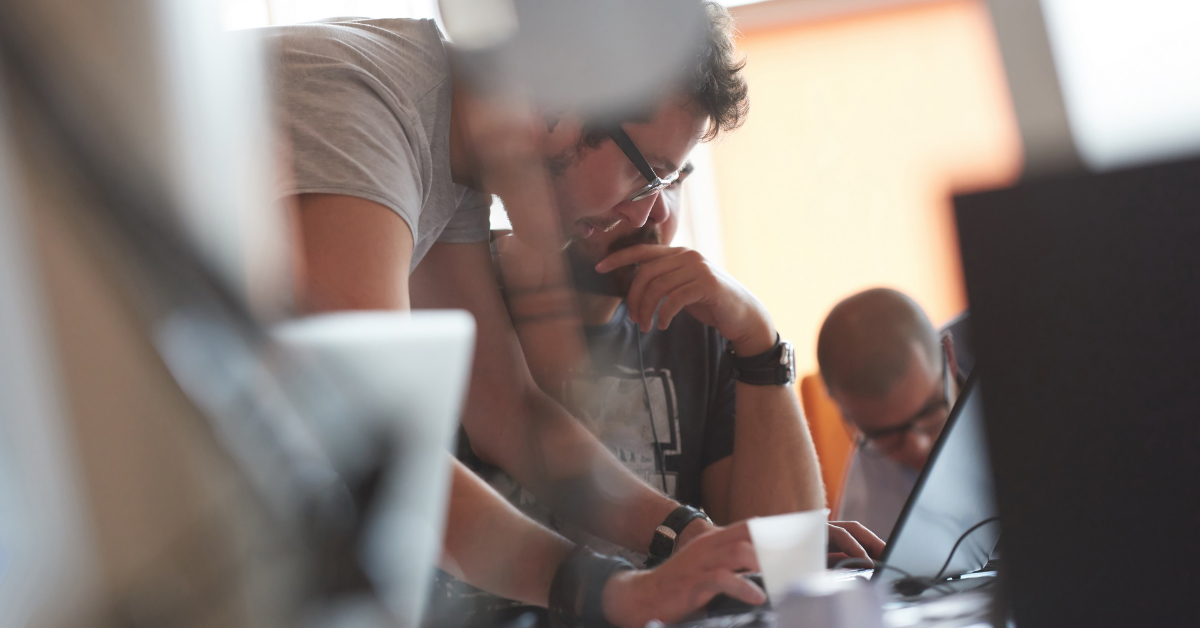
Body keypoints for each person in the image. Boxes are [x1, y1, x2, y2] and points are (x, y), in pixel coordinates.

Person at [264, 4, 878, 627]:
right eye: (649, 176)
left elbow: (507, 409)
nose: (649, 217)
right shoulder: (360, 104)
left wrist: (686, 534)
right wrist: (612, 592)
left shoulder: (451, 154)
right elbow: (371, 440)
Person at [815, 288, 973, 541]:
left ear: (949, 357)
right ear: (846, 416)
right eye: (885, 434)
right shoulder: (867, 506)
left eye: (930, 410)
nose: (918, 447)